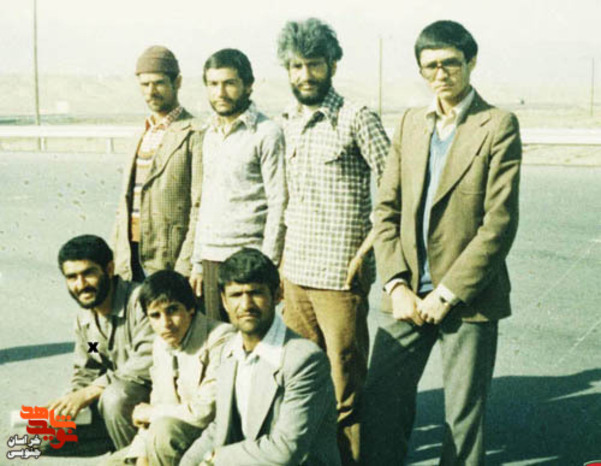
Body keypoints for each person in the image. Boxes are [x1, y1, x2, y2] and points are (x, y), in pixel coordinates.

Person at [363, 20, 522, 464]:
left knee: (462, 417)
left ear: (471, 62)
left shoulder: (497, 125)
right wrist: (396, 284)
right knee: (381, 400)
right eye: (430, 65)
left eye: (450, 63)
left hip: (468, 298)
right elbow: (386, 211)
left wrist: (448, 293)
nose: (440, 73)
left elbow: (499, 224)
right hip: (407, 295)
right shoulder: (411, 123)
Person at [276, 18, 390, 464]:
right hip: (295, 276)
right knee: (302, 379)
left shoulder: (356, 118)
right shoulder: (287, 121)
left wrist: (367, 249)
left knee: (346, 386)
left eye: (314, 64)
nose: (305, 75)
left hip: (340, 279)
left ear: (333, 65)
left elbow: (397, 188)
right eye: (296, 66)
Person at [181, 248, 340, 466]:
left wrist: (215, 459)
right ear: (224, 302)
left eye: (255, 293)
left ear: (277, 295)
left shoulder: (304, 360)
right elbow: (220, 426)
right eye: (236, 295)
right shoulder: (229, 351)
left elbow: (285, 450)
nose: (246, 305)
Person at [190, 48, 287, 322]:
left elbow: (279, 203)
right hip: (211, 259)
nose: (220, 92)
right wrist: (197, 262)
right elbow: (205, 201)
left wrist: (269, 265)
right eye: (213, 84)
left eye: (229, 83)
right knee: (216, 340)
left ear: (248, 85)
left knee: (253, 339)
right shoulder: (209, 134)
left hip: (249, 259)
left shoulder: (267, 133)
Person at [102, 270, 233, 465]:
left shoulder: (221, 338)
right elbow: (157, 403)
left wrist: (151, 413)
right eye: (155, 315)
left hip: (209, 441)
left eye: (172, 310)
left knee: (163, 431)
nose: (166, 324)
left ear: (190, 308)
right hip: (165, 436)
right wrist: (142, 455)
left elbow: (205, 411)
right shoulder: (160, 344)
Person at [46, 235, 153, 454]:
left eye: (88, 273)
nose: (81, 285)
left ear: (109, 269)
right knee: (39, 434)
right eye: (72, 277)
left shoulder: (140, 301)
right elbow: (87, 368)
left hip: (151, 397)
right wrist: (69, 401)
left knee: (115, 398)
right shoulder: (85, 318)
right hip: (113, 402)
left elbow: (148, 359)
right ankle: (120, 447)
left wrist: (93, 391)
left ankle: (135, 458)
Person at [112, 45, 203, 282]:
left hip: (168, 259)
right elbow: (125, 204)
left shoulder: (195, 133)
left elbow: (199, 206)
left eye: (159, 83)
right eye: (145, 85)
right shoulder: (140, 135)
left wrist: (186, 264)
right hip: (130, 256)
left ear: (177, 82)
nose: (151, 91)